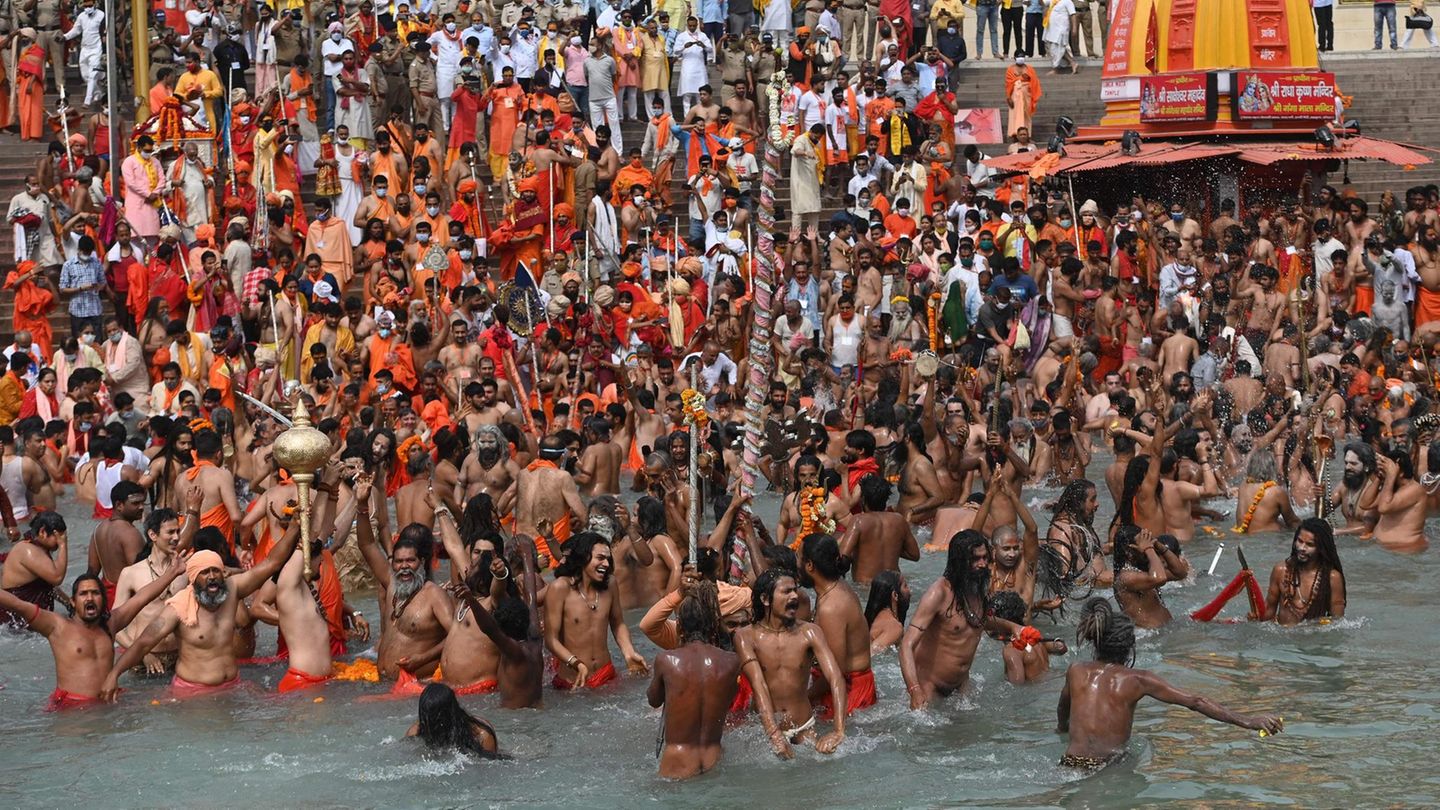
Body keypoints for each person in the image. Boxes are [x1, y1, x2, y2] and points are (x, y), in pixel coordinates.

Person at [1056, 597, 1283, 771]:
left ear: (1096, 641)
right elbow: (1195, 701)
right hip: (1106, 767)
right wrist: (1248, 721)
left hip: (1069, 763)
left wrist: (1062, 731)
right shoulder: (1137, 679)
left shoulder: (1076, 670)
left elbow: (1062, 711)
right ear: (1129, 646)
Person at [101, 521, 301, 699]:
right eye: (205, 573)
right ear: (193, 579)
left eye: (215, 571)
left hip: (232, 686)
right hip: (193, 694)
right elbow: (144, 643)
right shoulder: (178, 608)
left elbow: (271, 563)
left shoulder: (232, 589)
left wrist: (293, 529)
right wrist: (113, 674)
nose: (212, 576)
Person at [0, 552, 188, 710]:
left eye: (95, 593)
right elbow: (18, 605)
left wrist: (172, 573)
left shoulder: (111, 623)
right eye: (83, 594)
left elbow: (141, 598)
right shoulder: (57, 626)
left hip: (108, 702)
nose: (89, 597)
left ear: (103, 600)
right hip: (72, 709)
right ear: (73, 602)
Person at [734, 568, 848, 758]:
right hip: (763, 730)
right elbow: (759, 685)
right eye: (787, 591)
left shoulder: (810, 632)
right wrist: (773, 733)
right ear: (765, 599)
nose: (795, 595)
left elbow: (836, 678)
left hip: (805, 727)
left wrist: (838, 731)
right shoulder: (745, 636)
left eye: (795, 590)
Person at [900, 531, 1019, 707]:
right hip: (928, 687)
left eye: (985, 558)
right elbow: (906, 645)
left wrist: (1013, 627)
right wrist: (915, 690)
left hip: (961, 687)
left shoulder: (977, 588)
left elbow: (978, 621)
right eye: (975, 559)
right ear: (959, 561)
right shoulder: (938, 593)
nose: (982, 564)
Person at [647, 580, 741, 779]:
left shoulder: (667, 660)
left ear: (680, 626)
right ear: (714, 625)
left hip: (677, 765)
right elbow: (729, 699)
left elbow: (654, 700)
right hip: (715, 762)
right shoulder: (732, 661)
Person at [544, 532, 648, 689]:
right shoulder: (560, 588)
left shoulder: (610, 584)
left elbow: (618, 623)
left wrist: (628, 652)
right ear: (583, 558)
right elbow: (551, 640)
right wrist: (576, 663)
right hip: (572, 682)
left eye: (608, 559)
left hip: (605, 675)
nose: (606, 564)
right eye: (600, 558)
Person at [800, 533, 876, 719]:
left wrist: (801, 699)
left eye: (797, 559)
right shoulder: (834, 588)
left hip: (849, 692)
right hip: (849, 685)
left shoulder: (831, 607)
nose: (796, 566)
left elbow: (834, 673)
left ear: (809, 565)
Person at [1264, 518, 1346, 626]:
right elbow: (1268, 612)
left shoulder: (1332, 578)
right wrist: (1254, 618)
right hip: (1282, 638)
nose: (1302, 548)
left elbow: (1337, 622)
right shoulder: (1280, 571)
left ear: (1321, 548)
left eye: (1310, 544)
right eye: (1300, 541)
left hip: (1313, 639)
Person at [0, 512, 69, 627]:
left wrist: (68, 602)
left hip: (28, 621)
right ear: (42, 532)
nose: (59, 541)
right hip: (15, 624)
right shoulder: (28, 551)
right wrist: (63, 545)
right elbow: (57, 578)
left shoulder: (38, 548)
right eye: (57, 537)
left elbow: (48, 585)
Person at [407, 683, 501, 758]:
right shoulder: (416, 732)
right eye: (427, 718)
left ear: (449, 714)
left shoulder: (482, 736)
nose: (431, 724)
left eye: (436, 719)